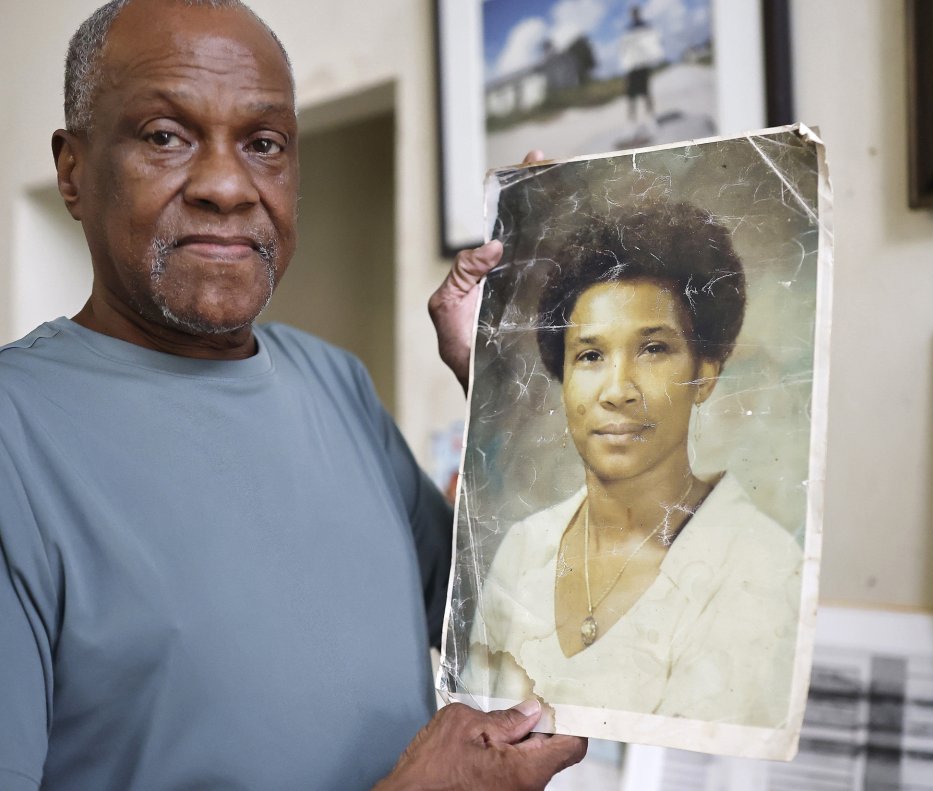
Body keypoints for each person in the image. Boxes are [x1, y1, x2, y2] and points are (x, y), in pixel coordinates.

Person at [0, 1, 584, 789]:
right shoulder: (17, 433)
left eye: (264, 144)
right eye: (165, 136)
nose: (226, 186)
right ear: (73, 171)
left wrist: (513, 380)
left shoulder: (333, 380)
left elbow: (513, 625)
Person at [462, 202, 802, 728]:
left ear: (706, 371)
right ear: (563, 376)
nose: (618, 391)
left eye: (654, 349)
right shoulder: (525, 548)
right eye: (591, 356)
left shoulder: (760, 566)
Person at [617, 5, 664, 139]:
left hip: (643, 66)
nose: (635, 15)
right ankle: (631, 125)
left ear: (639, 14)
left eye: (636, 13)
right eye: (633, 13)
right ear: (631, 15)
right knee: (631, 97)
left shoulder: (646, 27)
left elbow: (653, 45)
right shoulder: (628, 30)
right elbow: (625, 53)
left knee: (646, 93)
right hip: (632, 68)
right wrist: (625, 72)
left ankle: (651, 120)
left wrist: (653, 60)